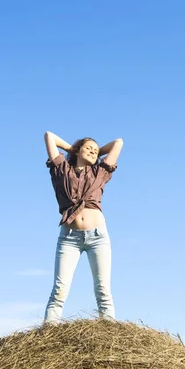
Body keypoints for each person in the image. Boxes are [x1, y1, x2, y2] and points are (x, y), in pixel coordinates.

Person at [42, 131, 123, 324]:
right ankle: (47, 337)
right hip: (69, 238)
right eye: (89, 148)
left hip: (98, 237)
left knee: (103, 290)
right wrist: (73, 149)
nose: (94, 152)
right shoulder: (62, 169)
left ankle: (111, 336)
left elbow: (118, 143)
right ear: (78, 151)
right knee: (59, 290)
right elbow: (49, 136)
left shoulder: (100, 172)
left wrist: (94, 153)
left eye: (96, 150)